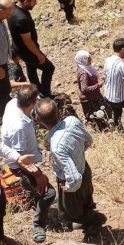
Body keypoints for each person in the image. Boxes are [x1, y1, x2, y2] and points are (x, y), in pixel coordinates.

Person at [35, 98, 105, 235]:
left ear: (38, 120)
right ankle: (90, 221)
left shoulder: (57, 146)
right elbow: (88, 140)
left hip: (71, 181)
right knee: (86, 199)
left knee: (69, 212)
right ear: (59, 113)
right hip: (84, 168)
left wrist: (69, 187)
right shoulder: (72, 120)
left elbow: (74, 177)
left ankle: (96, 219)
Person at [0, 85, 56, 243]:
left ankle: (33, 195)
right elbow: (21, 159)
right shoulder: (18, 128)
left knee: (36, 188)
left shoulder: (12, 104)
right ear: (34, 101)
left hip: (26, 158)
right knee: (49, 194)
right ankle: (38, 224)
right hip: (21, 165)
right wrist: (39, 175)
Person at [8, 0, 56, 98]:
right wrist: (38, 54)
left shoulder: (12, 8)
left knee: (31, 68)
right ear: (25, 2)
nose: (36, 3)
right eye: (33, 1)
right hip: (28, 50)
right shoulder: (21, 19)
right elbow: (28, 41)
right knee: (49, 68)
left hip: (19, 49)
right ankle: (44, 94)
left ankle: (37, 89)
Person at [75, 50, 106, 124]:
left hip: (94, 96)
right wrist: (98, 85)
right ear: (83, 60)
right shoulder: (84, 73)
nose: (90, 59)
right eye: (88, 58)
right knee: (96, 117)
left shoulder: (86, 68)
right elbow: (84, 89)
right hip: (89, 99)